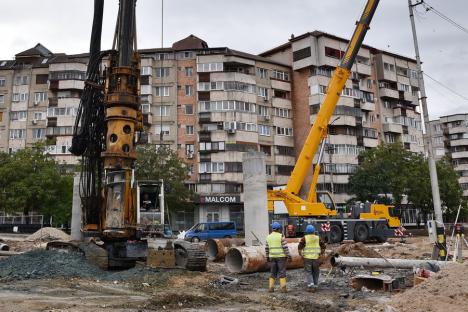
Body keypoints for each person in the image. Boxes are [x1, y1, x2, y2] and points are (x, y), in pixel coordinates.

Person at [298, 224, 326, 292]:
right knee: (316, 272)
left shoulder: (304, 238)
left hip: (307, 258)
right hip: (316, 258)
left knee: (309, 272)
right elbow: (323, 246)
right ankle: (315, 285)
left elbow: (299, 247)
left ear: (307, 231)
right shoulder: (317, 238)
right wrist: (321, 253)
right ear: (314, 231)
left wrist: (301, 255)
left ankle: (311, 286)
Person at [265, 222, 290, 293]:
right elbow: (285, 247)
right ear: (279, 229)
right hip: (281, 257)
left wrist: (267, 256)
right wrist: (289, 256)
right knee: (282, 272)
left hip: (272, 257)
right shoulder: (281, 236)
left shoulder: (268, 237)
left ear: (272, 229)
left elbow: (267, 248)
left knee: (272, 273)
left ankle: (271, 288)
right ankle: (283, 288)